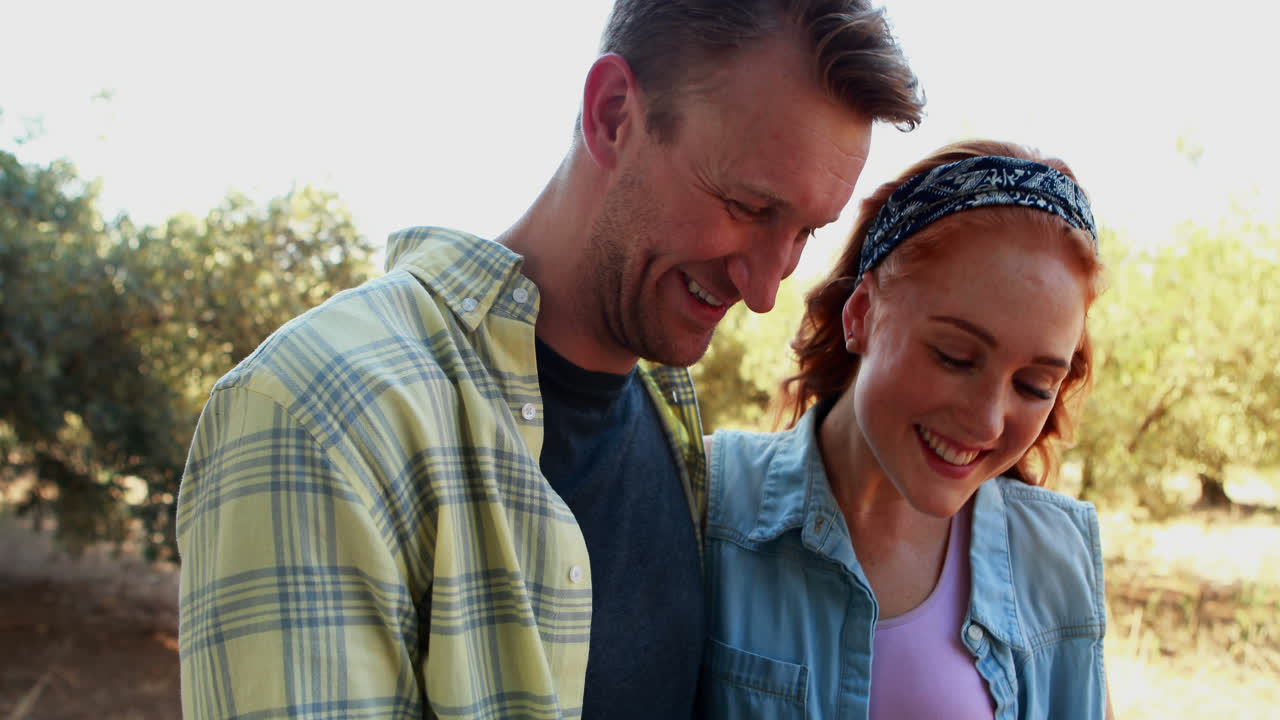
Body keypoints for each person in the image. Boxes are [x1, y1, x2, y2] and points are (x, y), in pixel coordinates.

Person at [176, 2, 924, 718]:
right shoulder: (320, 414)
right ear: (612, 115)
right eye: (748, 207)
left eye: (804, 233)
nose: (765, 290)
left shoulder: (671, 416)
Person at [698, 140, 1115, 718]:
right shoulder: (706, 502)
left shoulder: (1056, 558)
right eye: (954, 356)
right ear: (862, 314)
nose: (987, 420)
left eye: (1034, 386)